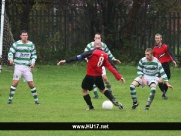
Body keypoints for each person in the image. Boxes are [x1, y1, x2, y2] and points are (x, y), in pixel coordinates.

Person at [57, 39, 125, 110]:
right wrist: (119, 77)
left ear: (94, 45)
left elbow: (78, 57)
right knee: (103, 89)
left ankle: (90, 107)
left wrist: (65, 61)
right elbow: (111, 67)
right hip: (99, 76)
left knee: (84, 90)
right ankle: (113, 99)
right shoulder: (105, 55)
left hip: (90, 76)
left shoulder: (91, 52)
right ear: (101, 46)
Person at [7, 30, 40, 105]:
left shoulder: (31, 44)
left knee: (31, 84)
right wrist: (11, 58)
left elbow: (34, 54)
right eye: (23, 35)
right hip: (18, 66)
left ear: (27, 36)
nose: (25, 37)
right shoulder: (16, 44)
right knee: (15, 82)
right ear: (20, 36)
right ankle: (9, 100)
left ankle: (36, 100)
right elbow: (10, 52)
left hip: (26, 67)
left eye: (26, 35)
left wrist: (33, 62)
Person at [84, 33, 121, 99]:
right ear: (94, 38)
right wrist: (89, 61)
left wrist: (114, 58)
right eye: (96, 38)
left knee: (105, 78)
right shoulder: (89, 45)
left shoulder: (103, 45)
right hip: (92, 66)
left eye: (99, 38)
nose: (97, 39)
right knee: (93, 79)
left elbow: (108, 53)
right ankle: (96, 95)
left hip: (100, 65)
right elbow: (85, 54)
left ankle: (110, 93)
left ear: (100, 39)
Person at [153, 33, 177, 99]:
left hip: (165, 65)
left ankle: (164, 93)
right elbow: (152, 57)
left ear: (161, 39)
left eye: (158, 38)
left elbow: (170, 54)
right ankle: (164, 93)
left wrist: (174, 61)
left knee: (167, 78)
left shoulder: (165, 47)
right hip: (159, 66)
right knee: (160, 80)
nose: (157, 39)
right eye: (156, 38)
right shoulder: (154, 48)